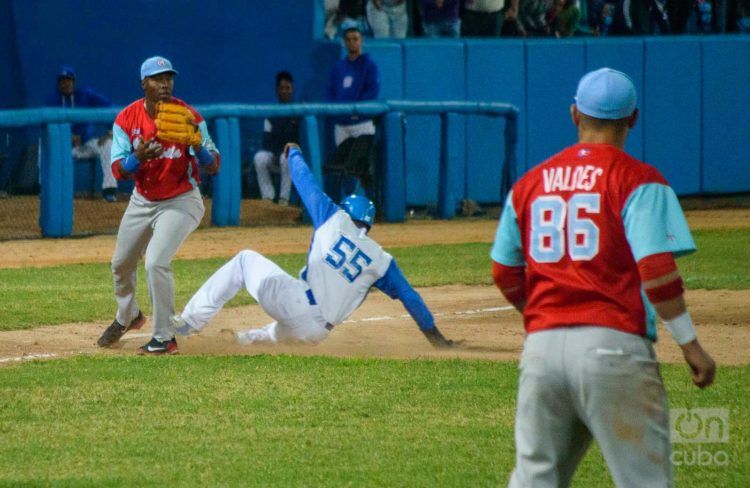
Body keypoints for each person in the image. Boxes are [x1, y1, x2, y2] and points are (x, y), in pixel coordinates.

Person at [491, 68, 716, 487]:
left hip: (541, 352)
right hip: (614, 350)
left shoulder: (529, 183)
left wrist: (540, 314)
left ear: (575, 115)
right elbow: (657, 272)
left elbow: (504, 271)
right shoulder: (638, 180)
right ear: (632, 119)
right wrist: (691, 345)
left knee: (534, 480)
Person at [173, 143, 454, 350]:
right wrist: (436, 339)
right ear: (367, 226)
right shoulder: (381, 259)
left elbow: (305, 181)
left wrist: (293, 153)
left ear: (347, 212)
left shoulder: (334, 217)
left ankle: (188, 323)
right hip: (317, 332)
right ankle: (229, 344)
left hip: (296, 302)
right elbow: (410, 297)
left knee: (245, 261)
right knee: (271, 337)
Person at [96, 56, 220, 355]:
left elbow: (214, 165)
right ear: (144, 84)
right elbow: (117, 171)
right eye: (157, 78)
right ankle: (128, 315)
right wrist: (137, 158)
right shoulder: (126, 119)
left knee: (155, 261)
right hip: (143, 199)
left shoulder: (189, 116)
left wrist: (197, 146)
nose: (164, 84)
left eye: (168, 78)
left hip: (182, 199)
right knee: (121, 263)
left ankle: (165, 337)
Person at [325, 21, 381, 200]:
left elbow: (372, 92)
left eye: (355, 39)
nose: (352, 43)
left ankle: (371, 204)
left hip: (362, 124)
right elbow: (330, 93)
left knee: (362, 167)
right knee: (343, 168)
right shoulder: (338, 67)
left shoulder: (369, 65)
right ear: (344, 42)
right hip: (341, 125)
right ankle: (348, 205)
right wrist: (339, 113)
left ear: (361, 40)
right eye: (348, 39)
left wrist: (356, 111)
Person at [45, 66, 117, 202]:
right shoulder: (52, 100)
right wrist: (67, 136)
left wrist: (110, 132)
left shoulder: (85, 95)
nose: (66, 83)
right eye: (62, 81)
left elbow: (112, 109)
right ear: (58, 83)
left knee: (108, 144)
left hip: (86, 144)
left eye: (69, 80)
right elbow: (48, 127)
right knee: (42, 148)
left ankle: (109, 190)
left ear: (74, 82)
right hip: (64, 147)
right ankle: (46, 191)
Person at [253, 71, 300, 206]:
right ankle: (267, 198)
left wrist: (280, 152)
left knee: (285, 157)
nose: (284, 91)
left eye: (288, 88)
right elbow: (266, 139)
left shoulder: (299, 112)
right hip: (275, 155)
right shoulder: (271, 113)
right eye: (281, 88)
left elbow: (298, 141)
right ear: (277, 91)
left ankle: (283, 200)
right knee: (260, 157)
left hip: (292, 158)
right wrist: (274, 152)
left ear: (292, 90)